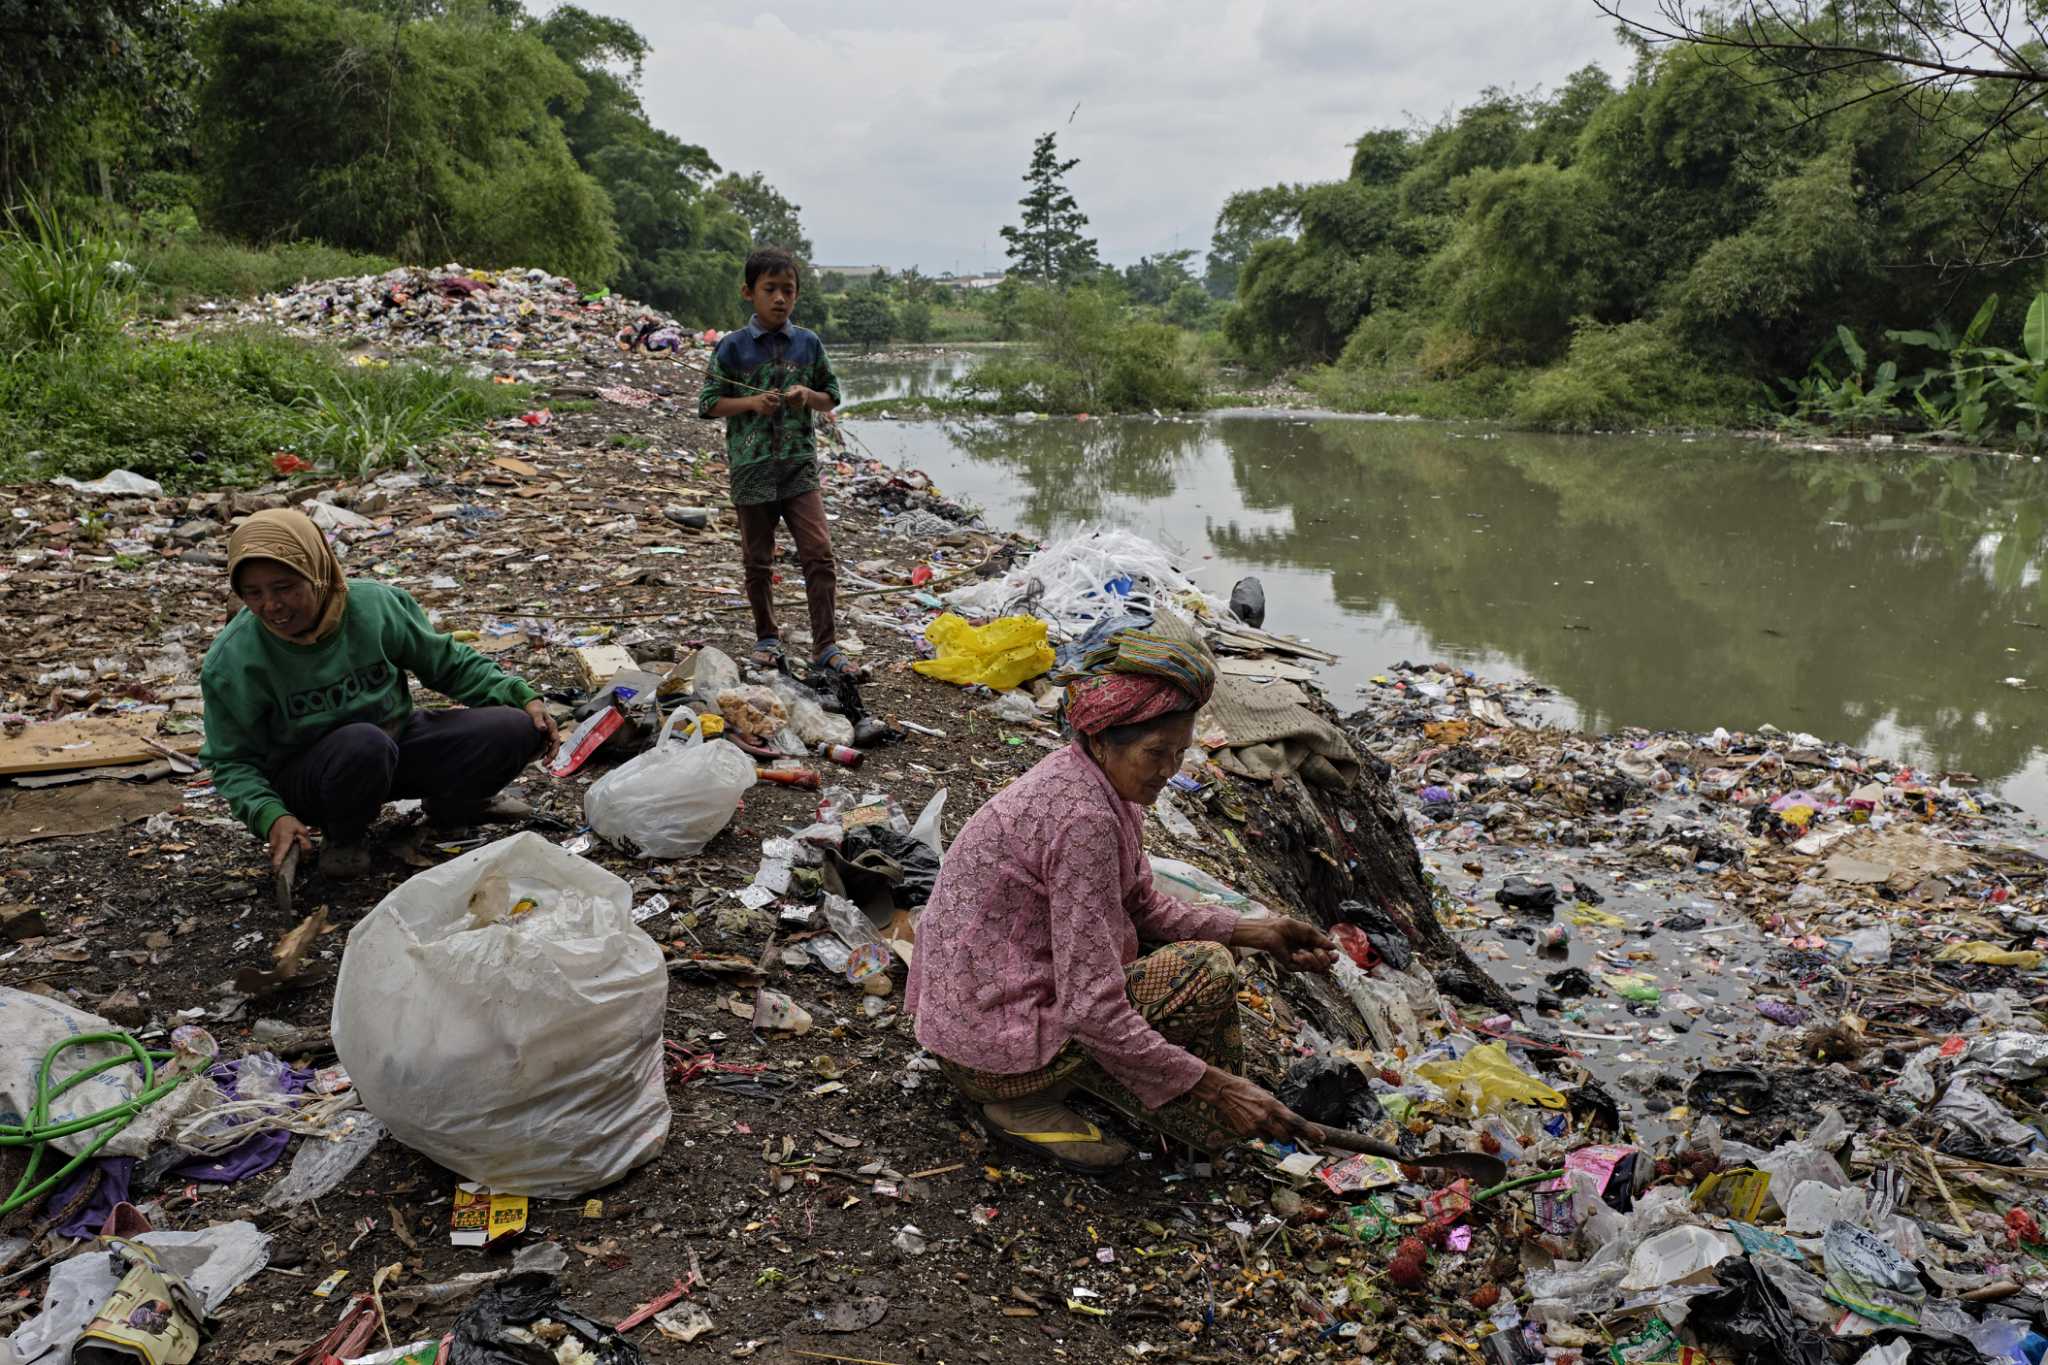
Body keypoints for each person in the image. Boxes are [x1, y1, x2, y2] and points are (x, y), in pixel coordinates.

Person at [905, 628, 1340, 1170]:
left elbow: (1139, 906)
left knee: (1208, 967)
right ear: (1105, 740)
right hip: (985, 1045)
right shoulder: (1083, 817)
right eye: (1155, 753)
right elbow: (1091, 1007)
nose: (1169, 770)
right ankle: (1021, 1100)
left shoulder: (1099, 786)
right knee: (1203, 972)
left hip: (974, 1011)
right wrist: (1217, 1089)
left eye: (1180, 752)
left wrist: (1259, 930)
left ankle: (1168, 1106)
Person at [198, 509, 559, 878]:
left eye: (285, 587)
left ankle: (456, 806)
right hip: (311, 779)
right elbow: (232, 761)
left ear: (318, 573)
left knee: (516, 727)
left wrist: (521, 695)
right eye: (253, 593)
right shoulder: (233, 660)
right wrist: (271, 815)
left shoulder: (375, 607)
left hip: (393, 743)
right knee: (362, 743)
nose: (271, 606)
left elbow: (449, 664)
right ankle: (344, 837)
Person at [696, 247, 854, 676]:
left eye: (788, 290)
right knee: (758, 559)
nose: (780, 298)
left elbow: (831, 396)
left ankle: (826, 645)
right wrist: (749, 402)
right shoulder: (732, 347)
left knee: (819, 554)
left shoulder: (808, 343)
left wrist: (808, 396)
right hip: (751, 467)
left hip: (799, 466)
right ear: (749, 293)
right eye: (770, 289)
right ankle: (767, 637)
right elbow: (708, 404)